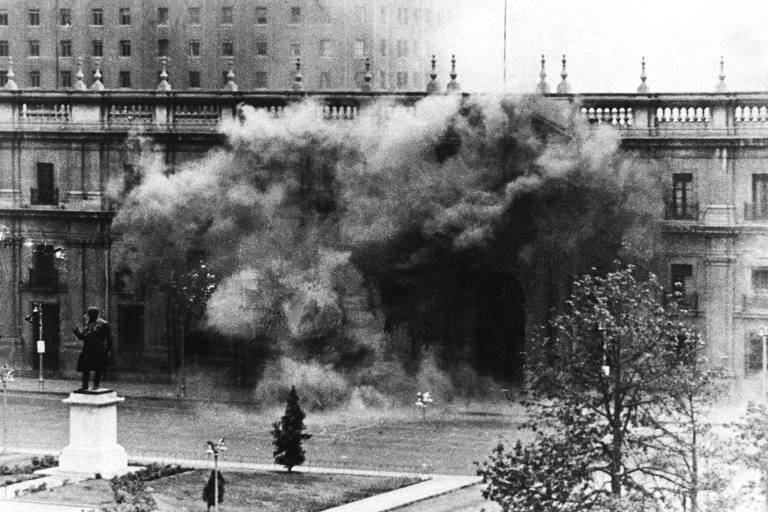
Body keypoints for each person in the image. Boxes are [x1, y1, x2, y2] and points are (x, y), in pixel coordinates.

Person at [72, 306, 113, 391]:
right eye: (89, 314)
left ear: (96, 314)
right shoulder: (88, 323)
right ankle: (84, 385)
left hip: (98, 349)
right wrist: (77, 332)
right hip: (88, 349)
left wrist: (108, 349)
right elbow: (84, 336)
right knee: (85, 367)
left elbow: (109, 338)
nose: (89, 315)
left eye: (91, 314)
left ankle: (96, 385)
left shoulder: (103, 324)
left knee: (98, 368)